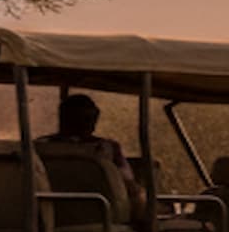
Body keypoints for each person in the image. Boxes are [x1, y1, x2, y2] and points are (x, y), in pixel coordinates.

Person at [38, 93, 148, 222]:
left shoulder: (41, 147)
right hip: (104, 215)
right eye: (86, 119)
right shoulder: (106, 148)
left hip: (52, 217)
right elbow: (127, 180)